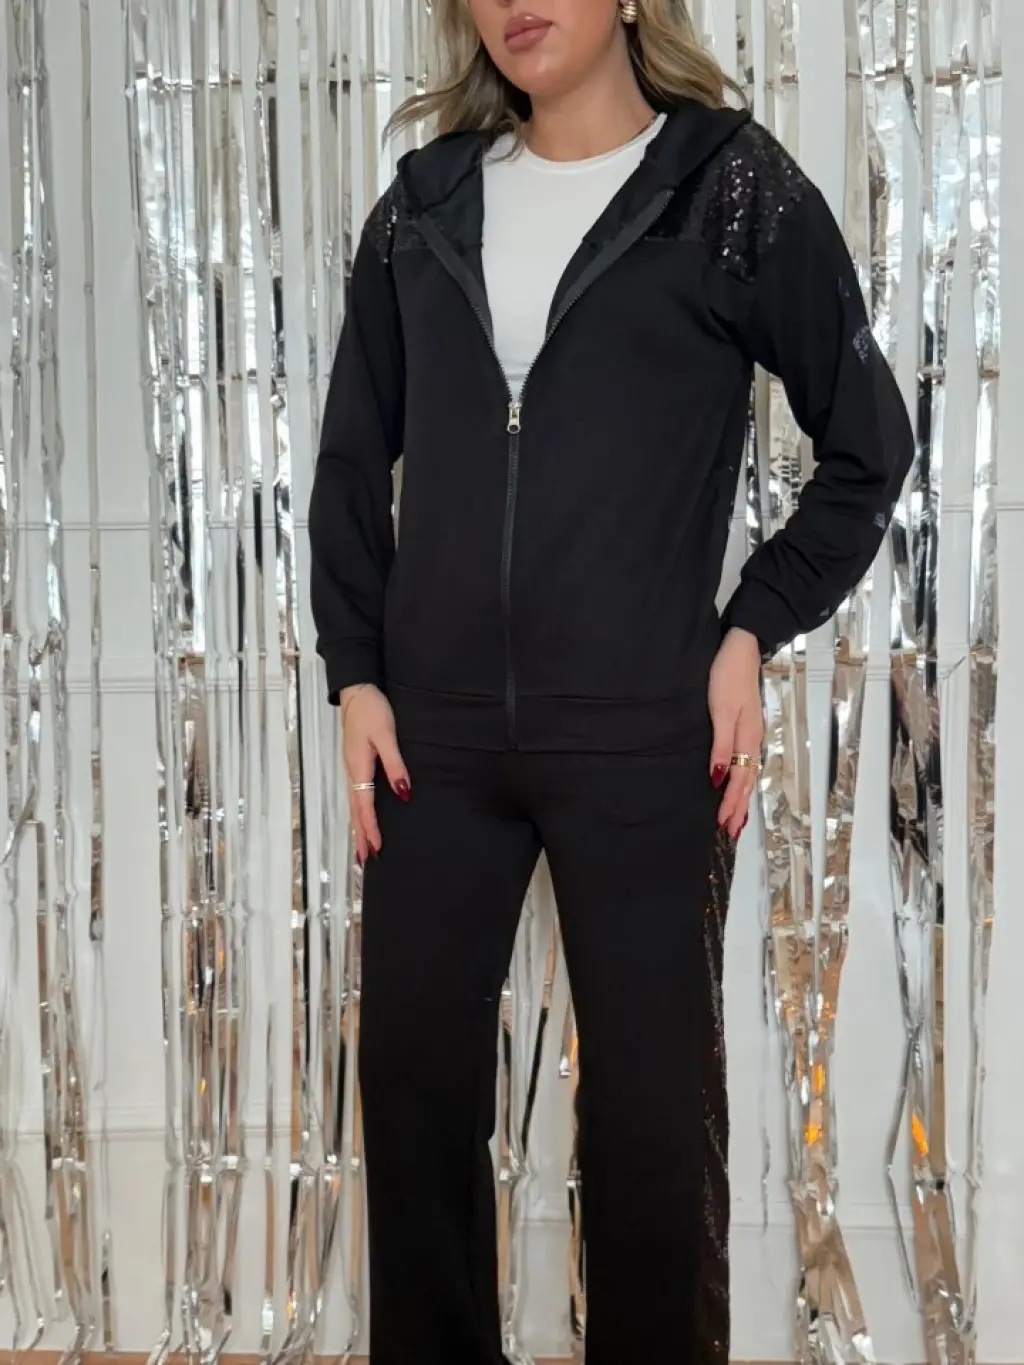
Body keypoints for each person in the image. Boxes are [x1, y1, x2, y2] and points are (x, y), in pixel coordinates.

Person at [308, 0, 913, 1360]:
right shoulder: (424, 206)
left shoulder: (729, 191)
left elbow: (868, 446)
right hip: (434, 739)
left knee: (649, 1131)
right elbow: (352, 459)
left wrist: (750, 628)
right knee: (412, 1097)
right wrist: (357, 673)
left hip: (645, 732)